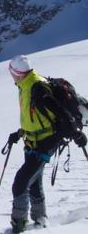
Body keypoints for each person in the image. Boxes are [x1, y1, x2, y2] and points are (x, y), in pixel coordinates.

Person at [7, 55, 87, 233]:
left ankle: (18, 226)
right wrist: (21, 132)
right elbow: (37, 117)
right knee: (34, 182)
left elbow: (61, 113)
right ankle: (40, 221)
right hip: (32, 141)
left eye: (11, 72)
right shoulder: (26, 84)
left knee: (20, 184)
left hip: (45, 143)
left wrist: (76, 133)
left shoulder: (37, 88)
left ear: (16, 73)